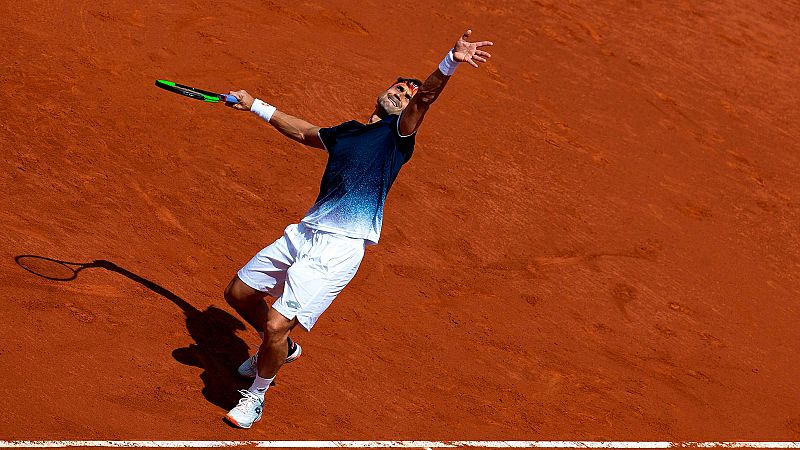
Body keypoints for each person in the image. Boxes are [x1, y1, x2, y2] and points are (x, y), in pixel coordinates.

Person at [221, 29, 493, 429]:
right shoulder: (348, 133)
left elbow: (426, 97)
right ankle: (283, 348)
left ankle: (256, 394)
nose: (402, 93)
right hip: (305, 232)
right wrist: (256, 106)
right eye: (398, 87)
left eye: (407, 95)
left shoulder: (397, 135)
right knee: (238, 294)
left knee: (277, 323)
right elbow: (302, 131)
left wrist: (449, 62)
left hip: (339, 249)